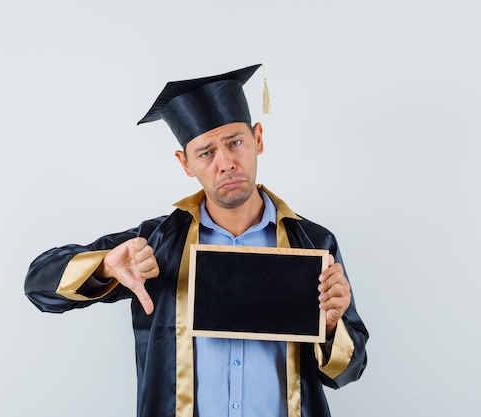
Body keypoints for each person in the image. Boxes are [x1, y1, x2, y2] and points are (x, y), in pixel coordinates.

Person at [24, 64, 369, 417]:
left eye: (236, 142)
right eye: (206, 152)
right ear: (185, 163)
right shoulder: (154, 246)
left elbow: (348, 372)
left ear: (258, 139)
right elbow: (38, 286)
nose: (226, 163)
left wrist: (329, 326)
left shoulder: (311, 244)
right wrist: (106, 267)